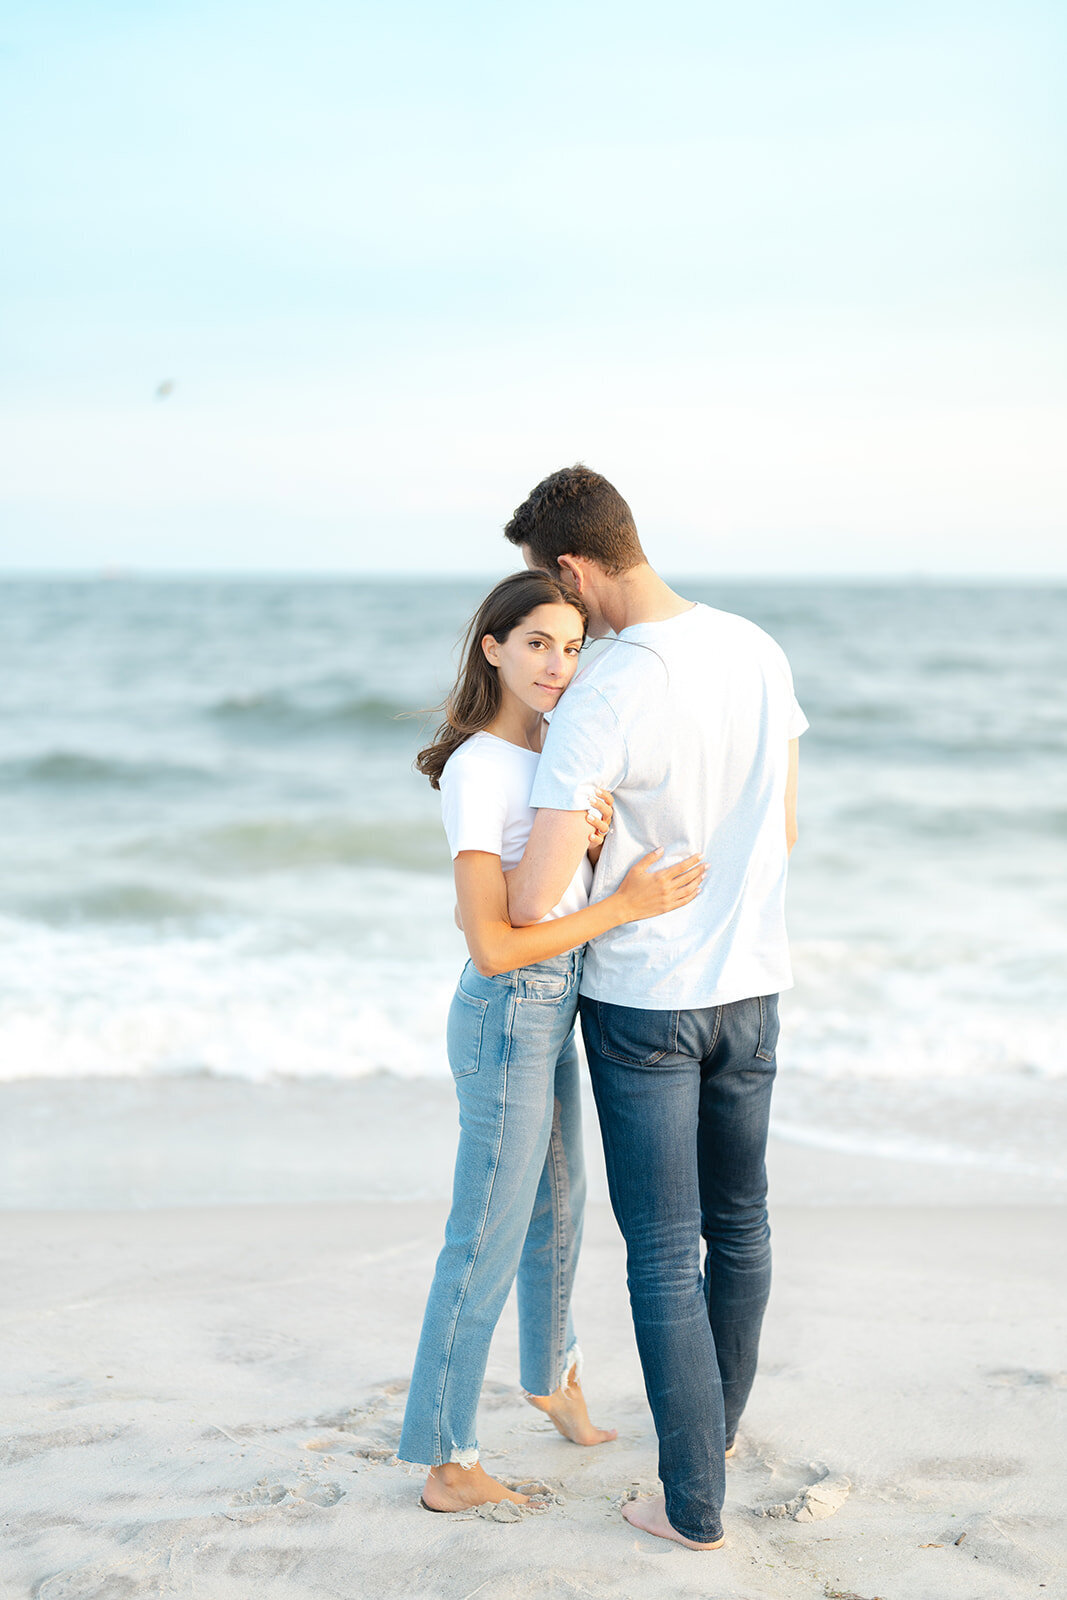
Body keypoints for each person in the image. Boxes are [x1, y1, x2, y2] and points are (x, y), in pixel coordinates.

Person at [500, 465, 807, 1551]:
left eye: (550, 588)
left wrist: (580, 855)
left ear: (571, 570)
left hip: (644, 1001)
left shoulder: (607, 689)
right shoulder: (755, 648)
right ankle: (706, 1435)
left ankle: (688, 1506)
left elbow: (534, 896)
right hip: (751, 986)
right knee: (742, 1224)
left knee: (663, 1251)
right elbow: (781, 831)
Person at [397, 569, 705, 1513]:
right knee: (483, 1236)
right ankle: (448, 1461)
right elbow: (489, 943)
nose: (558, 664)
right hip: (507, 1010)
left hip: (555, 1001)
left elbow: (551, 888)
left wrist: (591, 846)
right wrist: (622, 905)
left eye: (573, 646)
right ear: (491, 647)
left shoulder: (547, 757)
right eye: (537, 642)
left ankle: (553, 1375)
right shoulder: (479, 767)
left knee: (559, 1209)